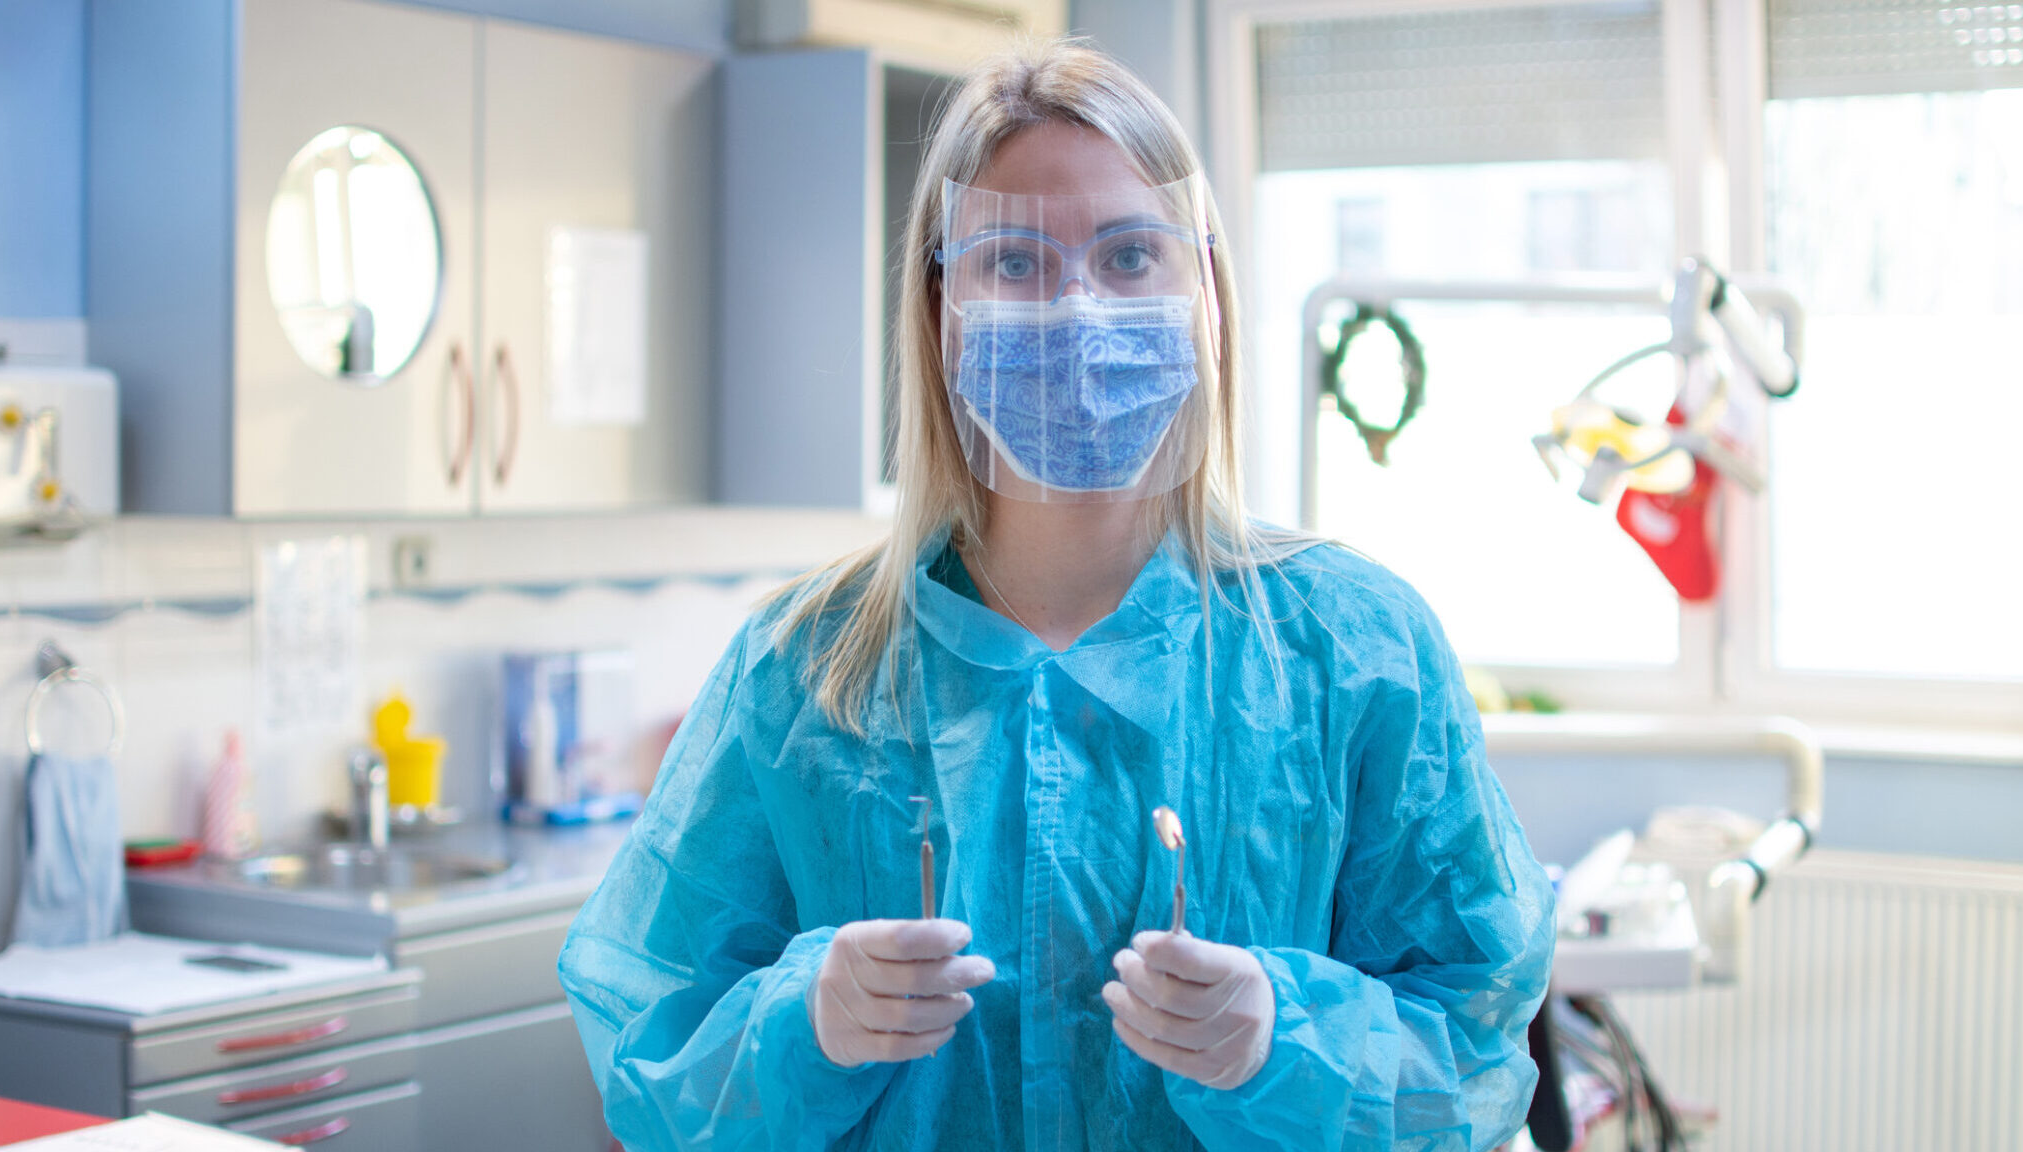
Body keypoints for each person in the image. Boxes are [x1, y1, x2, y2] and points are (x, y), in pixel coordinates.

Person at [559, 38, 1554, 1152]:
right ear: (940, 308)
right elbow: (651, 1051)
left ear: (1205, 290)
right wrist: (810, 1021)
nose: (1077, 314)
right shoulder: (804, 669)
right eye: (1016, 265)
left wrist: (1287, 1036)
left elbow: (1471, 1047)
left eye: (1130, 257)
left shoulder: (1354, 650)